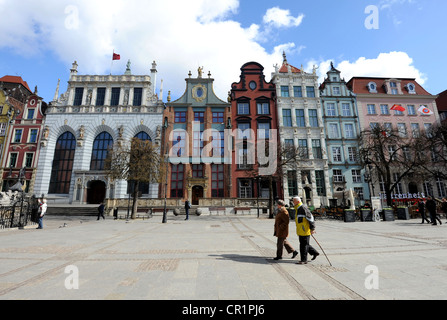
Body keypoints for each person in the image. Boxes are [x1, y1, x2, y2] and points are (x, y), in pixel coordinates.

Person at [293, 196, 319, 264]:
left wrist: (312, 229)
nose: (293, 202)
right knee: (305, 244)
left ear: (298, 201)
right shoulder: (297, 209)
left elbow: (311, 219)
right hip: (301, 230)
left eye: (294, 201)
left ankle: (304, 260)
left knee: (303, 245)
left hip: (305, 230)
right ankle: (314, 252)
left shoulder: (303, 208)